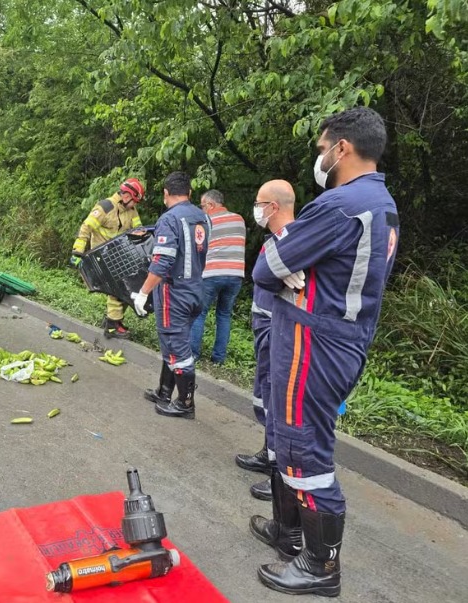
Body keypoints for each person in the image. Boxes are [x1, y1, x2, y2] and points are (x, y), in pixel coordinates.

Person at [250, 107, 399, 597]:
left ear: (342, 148)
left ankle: (320, 565)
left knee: (303, 447)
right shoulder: (381, 203)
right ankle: (290, 533)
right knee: (288, 435)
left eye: (321, 148)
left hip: (315, 342)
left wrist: (287, 271)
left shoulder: (340, 204)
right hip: (339, 337)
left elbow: (269, 266)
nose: (319, 158)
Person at [235, 180, 296, 502]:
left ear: (273, 207)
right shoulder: (276, 239)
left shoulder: (295, 240)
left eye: (259, 203)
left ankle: (279, 473)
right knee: (265, 393)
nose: (255, 209)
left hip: (279, 328)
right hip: (265, 325)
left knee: (276, 396)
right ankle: (269, 452)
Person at [132, 172, 210, 419]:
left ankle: (185, 404)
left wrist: (143, 292)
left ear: (166, 193)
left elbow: (162, 261)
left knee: (176, 346)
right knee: (174, 342)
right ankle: (164, 391)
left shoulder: (169, 219)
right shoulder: (202, 217)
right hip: (196, 289)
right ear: (190, 193)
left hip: (173, 293)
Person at [70, 177, 145, 339]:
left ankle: (113, 321)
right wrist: (77, 251)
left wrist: (140, 234)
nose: (135, 205)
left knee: (125, 288)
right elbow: (86, 228)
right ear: (126, 197)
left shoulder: (131, 211)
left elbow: (139, 228)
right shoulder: (105, 207)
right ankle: (112, 326)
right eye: (134, 201)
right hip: (101, 256)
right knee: (118, 289)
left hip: (119, 255)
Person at [189, 190, 246, 364]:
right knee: (224, 314)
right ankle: (218, 358)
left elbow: (198, 247)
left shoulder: (206, 221)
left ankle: (193, 355)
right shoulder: (239, 219)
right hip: (236, 274)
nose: (202, 209)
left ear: (211, 205)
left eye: (203, 205)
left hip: (212, 273)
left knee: (199, 313)